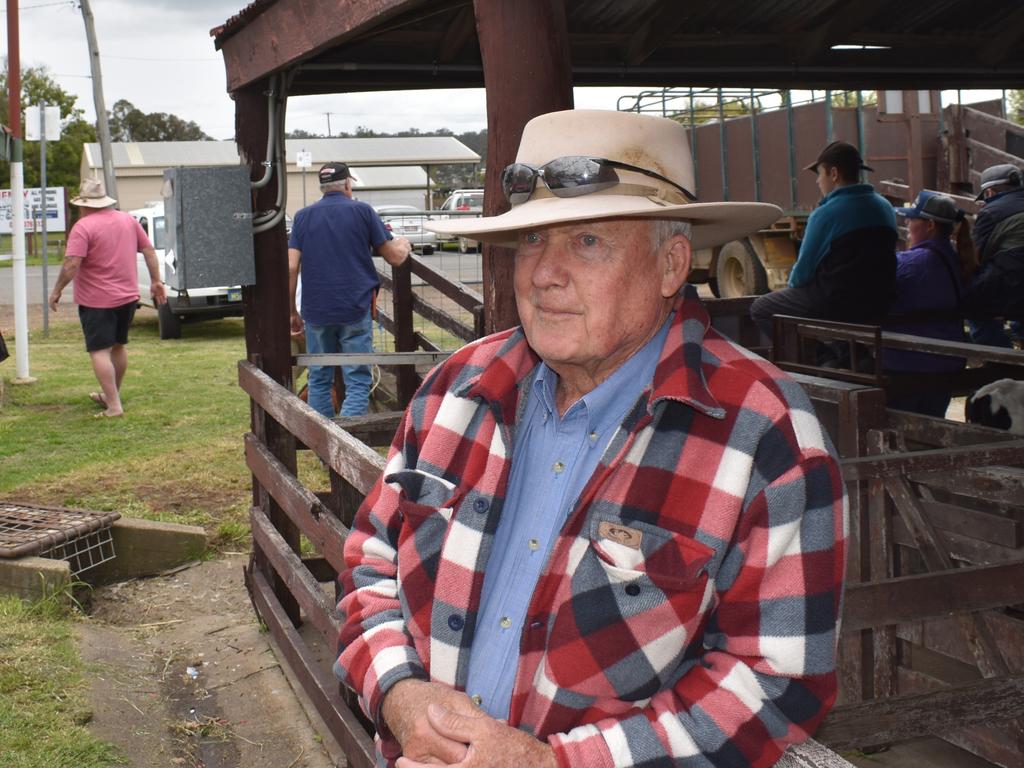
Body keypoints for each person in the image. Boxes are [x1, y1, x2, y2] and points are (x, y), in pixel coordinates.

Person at [336, 109, 847, 768]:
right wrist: (403, 699)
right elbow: (371, 561)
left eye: (585, 241)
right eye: (530, 242)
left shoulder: (765, 436)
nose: (542, 274)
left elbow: (777, 682)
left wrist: (551, 765)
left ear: (671, 265)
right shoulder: (455, 392)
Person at [288, 162, 412, 419]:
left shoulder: (302, 217)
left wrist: (292, 310)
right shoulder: (363, 212)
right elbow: (395, 258)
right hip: (354, 307)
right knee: (357, 379)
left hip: (316, 310)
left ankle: (326, 443)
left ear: (322, 187)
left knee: (319, 378)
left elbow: (290, 267)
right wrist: (403, 243)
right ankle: (347, 441)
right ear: (347, 184)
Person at [750, 140, 897, 351]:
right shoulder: (884, 207)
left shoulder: (826, 214)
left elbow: (801, 275)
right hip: (880, 301)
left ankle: (820, 358)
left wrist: (792, 290)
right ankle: (848, 354)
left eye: (820, 174)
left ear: (834, 174)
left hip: (835, 303)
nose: (818, 181)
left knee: (761, 307)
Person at [48, 179, 167, 418]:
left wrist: (57, 289)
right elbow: (149, 251)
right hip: (127, 298)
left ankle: (114, 406)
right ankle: (112, 396)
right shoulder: (128, 220)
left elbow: (72, 263)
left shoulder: (83, 227)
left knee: (99, 351)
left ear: (85, 205)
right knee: (118, 346)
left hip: (96, 301)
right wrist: (156, 282)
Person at [883, 191, 974, 417]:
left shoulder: (908, 262)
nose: (907, 223)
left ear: (930, 225)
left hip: (907, 365)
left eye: (912, 219)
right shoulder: (960, 260)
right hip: (947, 365)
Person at [963, 163, 1024, 347]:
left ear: (989, 192)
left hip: (1014, 287)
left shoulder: (991, 211)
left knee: (970, 300)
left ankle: (998, 357)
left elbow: (975, 257)